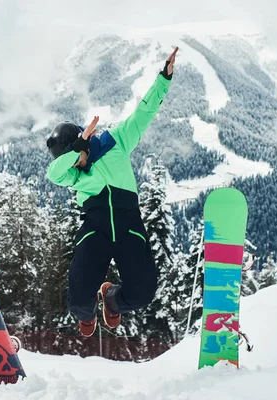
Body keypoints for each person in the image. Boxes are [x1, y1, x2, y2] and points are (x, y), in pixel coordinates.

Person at [46, 47, 178, 337]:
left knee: (142, 294)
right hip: (96, 230)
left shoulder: (116, 141)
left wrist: (164, 79)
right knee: (78, 302)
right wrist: (75, 151)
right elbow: (53, 174)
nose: (72, 164)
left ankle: (111, 300)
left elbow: (144, 113)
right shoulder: (73, 173)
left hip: (130, 225)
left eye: (71, 155)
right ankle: (88, 310)